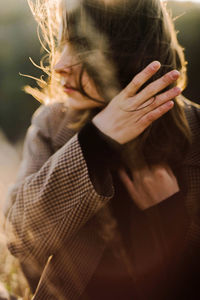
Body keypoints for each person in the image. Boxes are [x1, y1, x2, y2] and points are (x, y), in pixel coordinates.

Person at [3, 0, 200, 299]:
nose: (57, 65)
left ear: (134, 52)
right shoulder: (52, 124)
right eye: (60, 42)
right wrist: (95, 141)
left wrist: (169, 214)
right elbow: (21, 240)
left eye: (82, 46)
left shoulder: (196, 132)